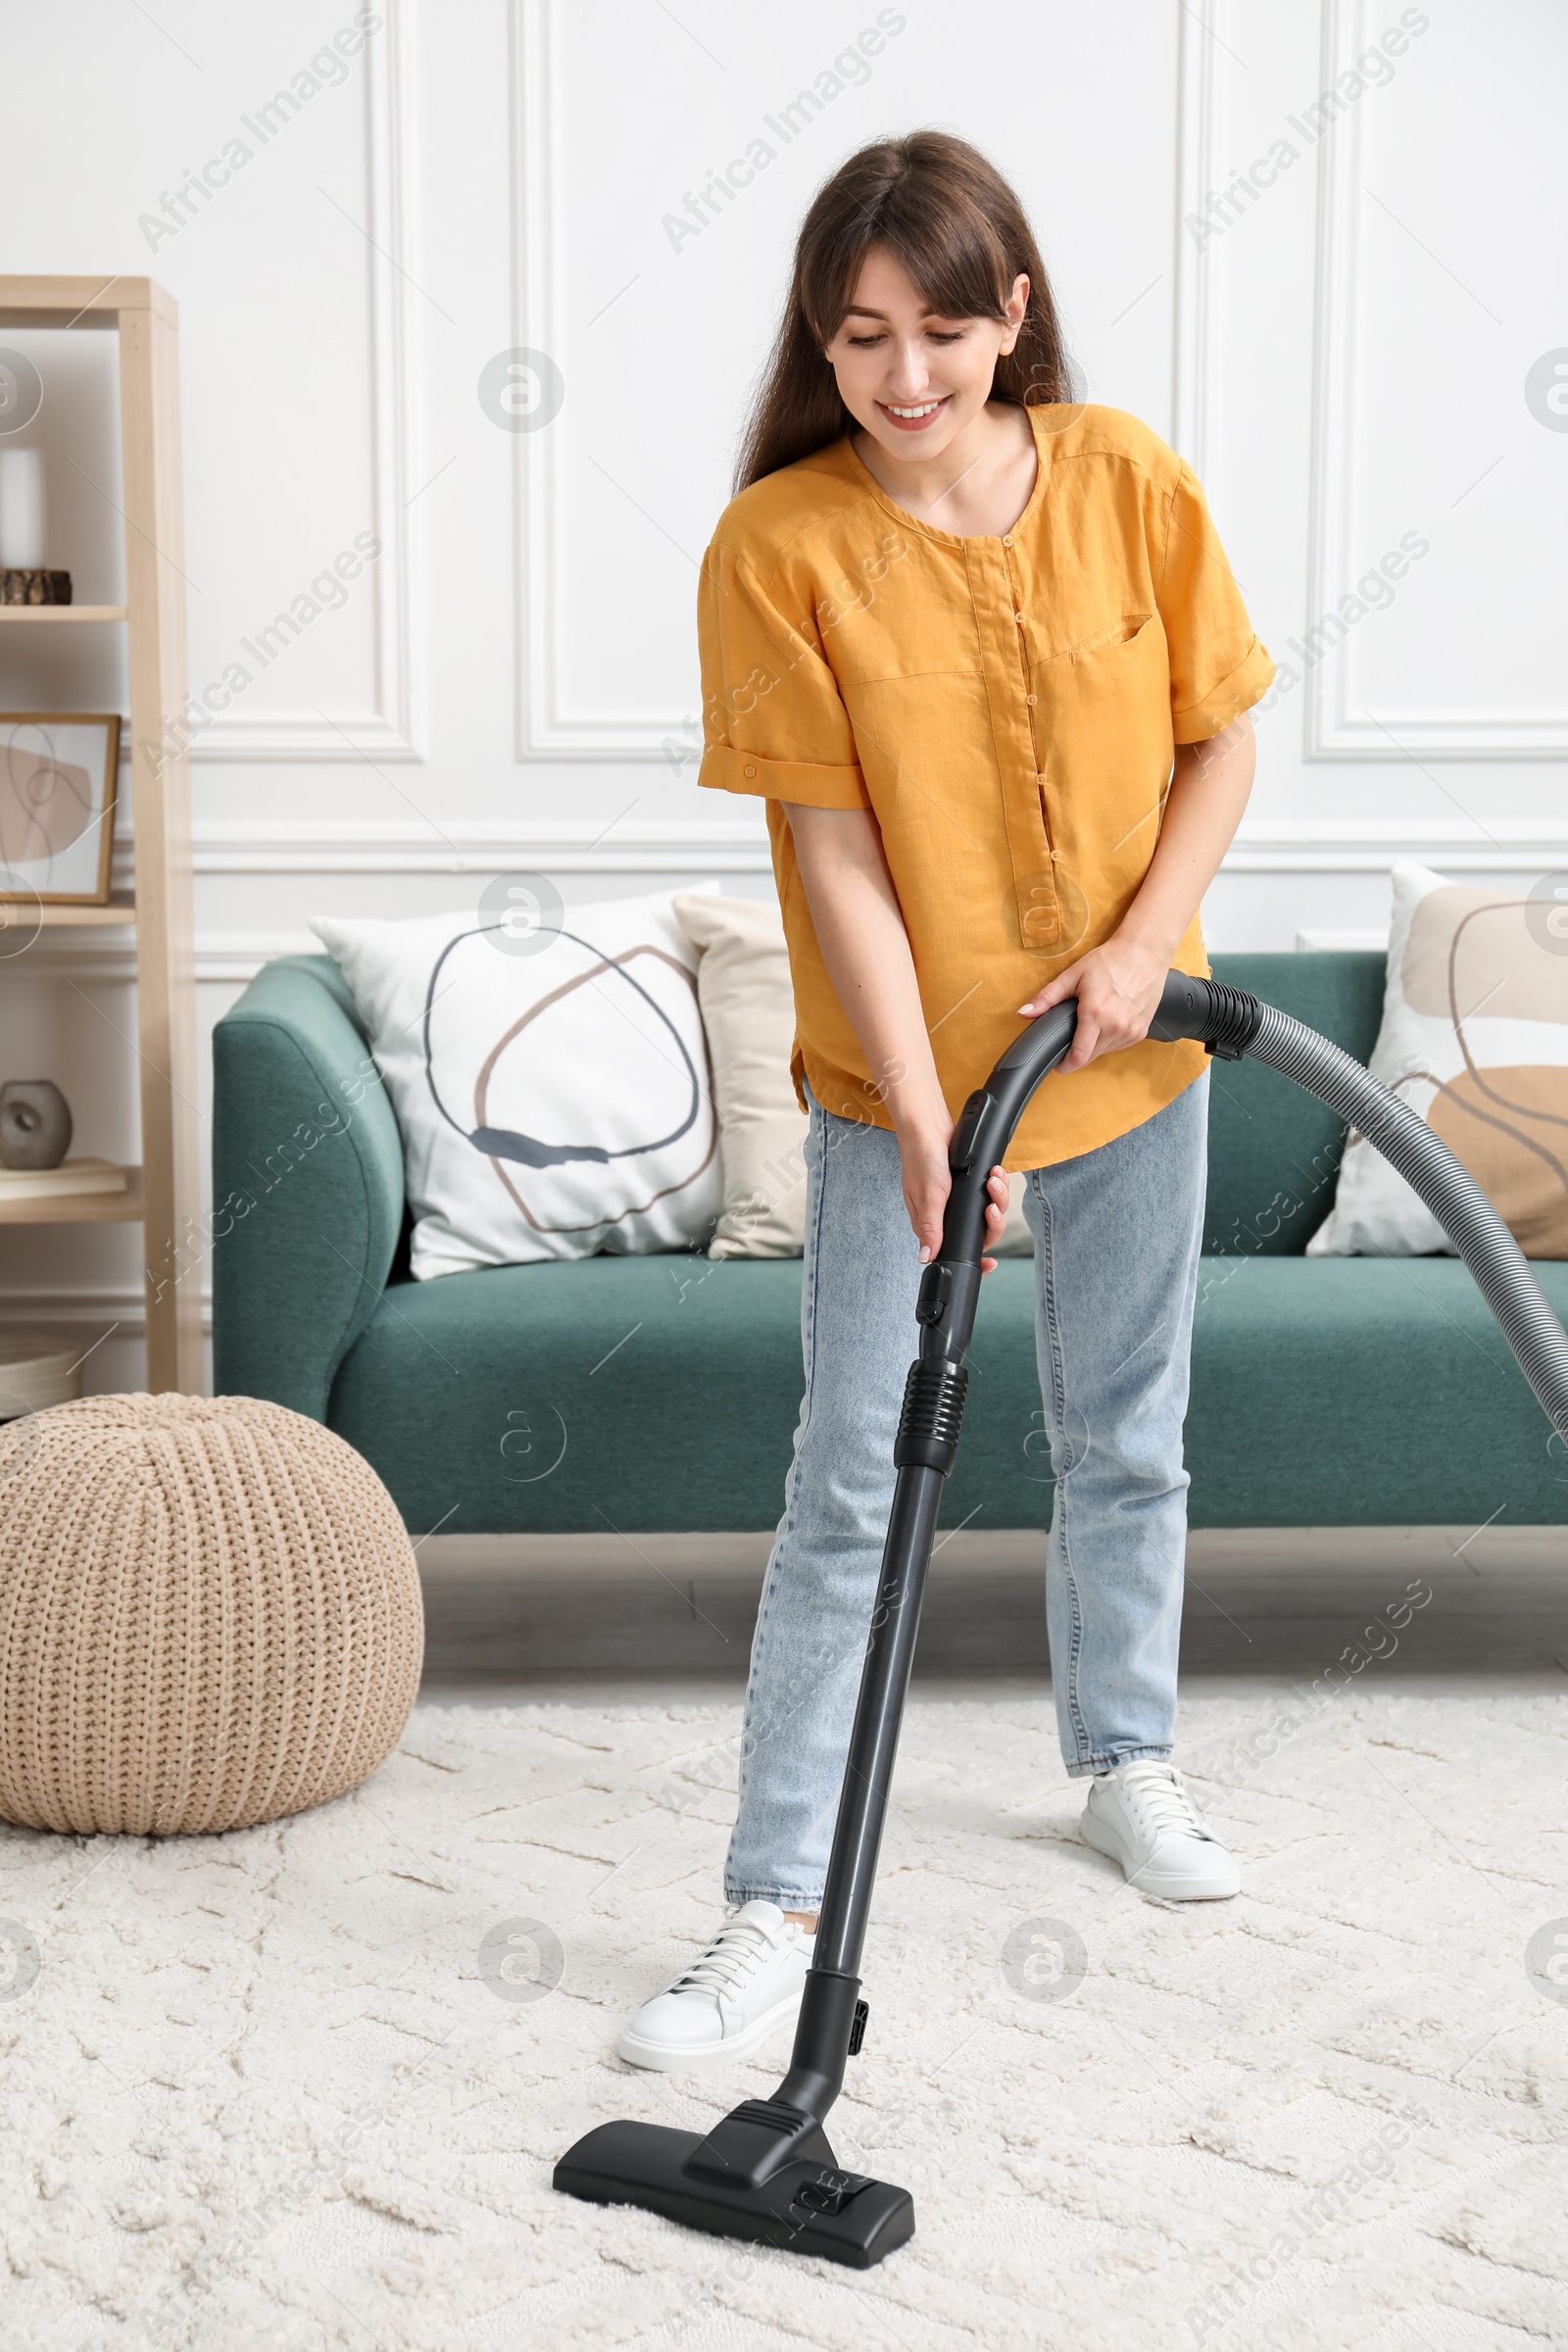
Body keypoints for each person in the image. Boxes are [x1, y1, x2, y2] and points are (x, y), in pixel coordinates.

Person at [617, 130, 1274, 2074]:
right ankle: (775, 1898)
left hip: (1136, 1060)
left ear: (1012, 316)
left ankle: (1125, 1760)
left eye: (937, 331)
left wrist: (1148, 945)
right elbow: (830, 858)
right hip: (892, 1090)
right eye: (856, 340)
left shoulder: (1130, 478)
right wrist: (917, 1116)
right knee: (842, 1489)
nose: (903, 379)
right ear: (820, 352)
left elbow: (1217, 737)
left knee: (1125, 1441)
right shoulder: (780, 545)